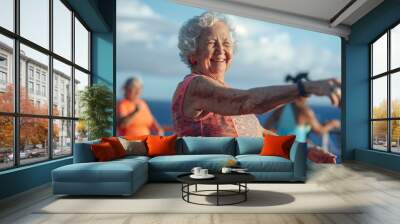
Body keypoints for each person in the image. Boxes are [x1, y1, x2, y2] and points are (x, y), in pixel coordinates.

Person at [172, 12, 341, 137]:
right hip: (210, 179)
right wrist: (307, 87)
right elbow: (249, 101)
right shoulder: (196, 85)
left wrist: (304, 151)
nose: (221, 50)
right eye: (211, 43)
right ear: (192, 55)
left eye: (226, 43)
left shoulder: (224, 92)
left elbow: (258, 132)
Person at [264, 73, 340, 163]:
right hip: (297, 155)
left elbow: (266, 127)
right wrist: (333, 123)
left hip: (281, 152)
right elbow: (320, 130)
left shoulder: (281, 108)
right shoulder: (305, 111)